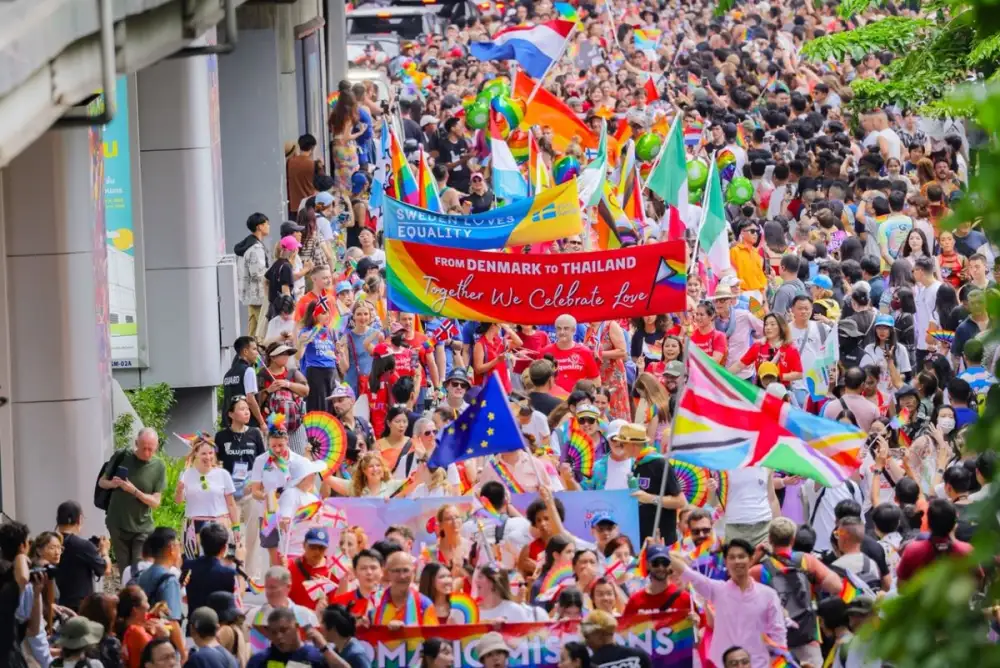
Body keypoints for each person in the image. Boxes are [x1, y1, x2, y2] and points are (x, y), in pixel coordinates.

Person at [671, 539, 786, 668]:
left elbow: (779, 635)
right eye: (732, 557)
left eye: (741, 557)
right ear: (725, 561)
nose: (737, 561)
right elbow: (687, 572)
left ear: (751, 559)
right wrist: (661, 551)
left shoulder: (768, 595)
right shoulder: (717, 590)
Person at [99, 428, 167, 574]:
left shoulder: (159, 466)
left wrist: (134, 491)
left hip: (142, 527)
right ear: (136, 443)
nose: (147, 453)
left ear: (156, 446)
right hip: (117, 524)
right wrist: (113, 484)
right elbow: (102, 482)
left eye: (151, 449)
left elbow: (156, 502)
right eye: (144, 448)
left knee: (139, 569)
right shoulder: (122, 456)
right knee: (125, 571)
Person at [214, 396, 266, 578]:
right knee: (230, 534)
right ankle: (230, 572)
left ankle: (249, 574)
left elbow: (262, 461)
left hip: (250, 491)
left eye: (247, 408)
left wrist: (257, 484)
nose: (246, 412)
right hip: (229, 494)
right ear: (230, 414)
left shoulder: (255, 433)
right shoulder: (221, 437)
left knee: (252, 535)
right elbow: (216, 463)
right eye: (242, 409)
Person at [617, 424, 684, 543]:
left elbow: (680, 501)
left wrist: (649, 498)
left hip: (661, 538)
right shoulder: (637, 464)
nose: (621, 448)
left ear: (632, 444)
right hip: (641, 536)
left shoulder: (660, 464)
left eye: (622, 444)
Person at [176, 438, 239, 559]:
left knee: (218, 561)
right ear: (196, 454)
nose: (208, 457)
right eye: (203, 453)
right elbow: (179, 501)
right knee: (193, 562)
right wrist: (179, 490)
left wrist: (236, 527)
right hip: (193, 525)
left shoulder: (223, 474)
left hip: (218, 524)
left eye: (211, 453)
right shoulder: (186, 474)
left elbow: (231, 504)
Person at [245, 566, 319, 655]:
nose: (269, 592)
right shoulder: (253, 615)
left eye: (273, 587)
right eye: (267, 588)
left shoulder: (305, 615)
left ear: (288, 587)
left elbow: (313, 651)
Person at [54, 500, 111, 612]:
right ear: (79, 519)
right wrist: (104, 551)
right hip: (79, 606)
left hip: (55, 605)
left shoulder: (50, 543)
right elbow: (105, 570)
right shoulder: (83, 546)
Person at [184, 523, 238, 622]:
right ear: (224, 548)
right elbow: (238, 598)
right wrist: (240, 565)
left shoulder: (188, 566)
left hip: (194, 624)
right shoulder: (228, 573)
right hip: (219, 625)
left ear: (201, 544)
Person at [371, 552, 438, 627]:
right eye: (396, 571)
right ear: (387, 573)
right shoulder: (375, 601)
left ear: (413, 572)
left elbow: (432, 633)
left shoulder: (424, 604)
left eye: (406, 570)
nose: (402, 576)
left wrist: (405, 631)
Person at [621, 544, 691, 615]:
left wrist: (695, 621)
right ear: (647, 565)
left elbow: (698, 621)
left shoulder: (685, 598)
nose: (661, 567)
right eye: (656, 563)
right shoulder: (635, 601)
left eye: (665, 563)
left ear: (669, 565)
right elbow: (626, 622)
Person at [246, 609, 326, 668]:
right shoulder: (258, 660)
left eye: (283, 630)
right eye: (274, 632)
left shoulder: (315, 657)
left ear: (296, 627)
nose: (278, 636)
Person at [542, 314, 601, 393]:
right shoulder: (545, 352)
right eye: (559, 328)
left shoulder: (585, 352)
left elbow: (596, 381)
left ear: (574, 330)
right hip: (552, 399)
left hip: (577, 398)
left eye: (566, 328)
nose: (562, 332)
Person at [136, 528, 183, 624]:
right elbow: (171, 622)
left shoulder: (143, 575)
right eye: (179, 545)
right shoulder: (169, 580)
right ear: (171, 548)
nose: (181, 550)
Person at [236, 213, 270, 338]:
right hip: (259, 295)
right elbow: (259, 273)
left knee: (253, 332)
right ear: (259, 226)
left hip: (251, 295)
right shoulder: (256, 248)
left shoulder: (247, 245)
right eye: (267, 224)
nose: (269, 226)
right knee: (261, 332)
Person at [222, 337, 266, 430]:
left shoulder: (228, 374)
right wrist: (261, 422)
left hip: (230, 424)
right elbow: (250, 399)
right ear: (245, 351)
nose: (257, 353)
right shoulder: (248, 371)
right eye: (254, 349)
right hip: (247, 425)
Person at [581, 610, 652, 668]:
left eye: (587, 636)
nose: (586, 642)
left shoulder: (588, 664)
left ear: (599, 634)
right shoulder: (639, 655)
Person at [331, 549, 383, 619]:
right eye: (363, 568)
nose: (369, 572)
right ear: (355, 572)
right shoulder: (339, 602)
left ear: (382, 571)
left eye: (373, 568)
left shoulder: (390, 599)